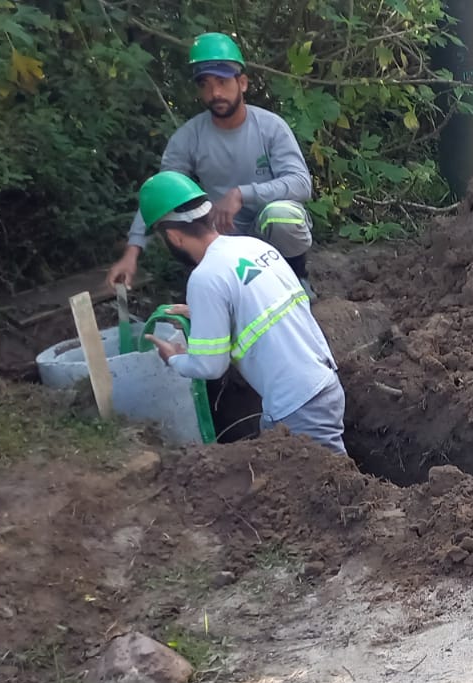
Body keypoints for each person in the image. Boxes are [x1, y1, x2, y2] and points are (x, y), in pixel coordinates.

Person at [137, 170, 346, 454]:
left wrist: (174, 358)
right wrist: (205, 314)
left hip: (298, 403)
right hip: (321, 384)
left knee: (333, 488)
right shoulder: (252, 246)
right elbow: (259, 307)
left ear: (173, 236)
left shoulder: (205, 277)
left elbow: (209, 366)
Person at [107, 32, 319, 300]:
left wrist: (242, 193)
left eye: (222, 81)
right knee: (181, 230)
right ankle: (222, 293)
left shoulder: (270, 127)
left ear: (242, 83)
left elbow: (301, 184)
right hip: (222, 235)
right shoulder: (189, 137)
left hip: (268, 231)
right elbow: (160, 196)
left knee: (283, 215)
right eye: (205, 84)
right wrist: (132, 252)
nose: (215, 93)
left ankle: (296, 278)